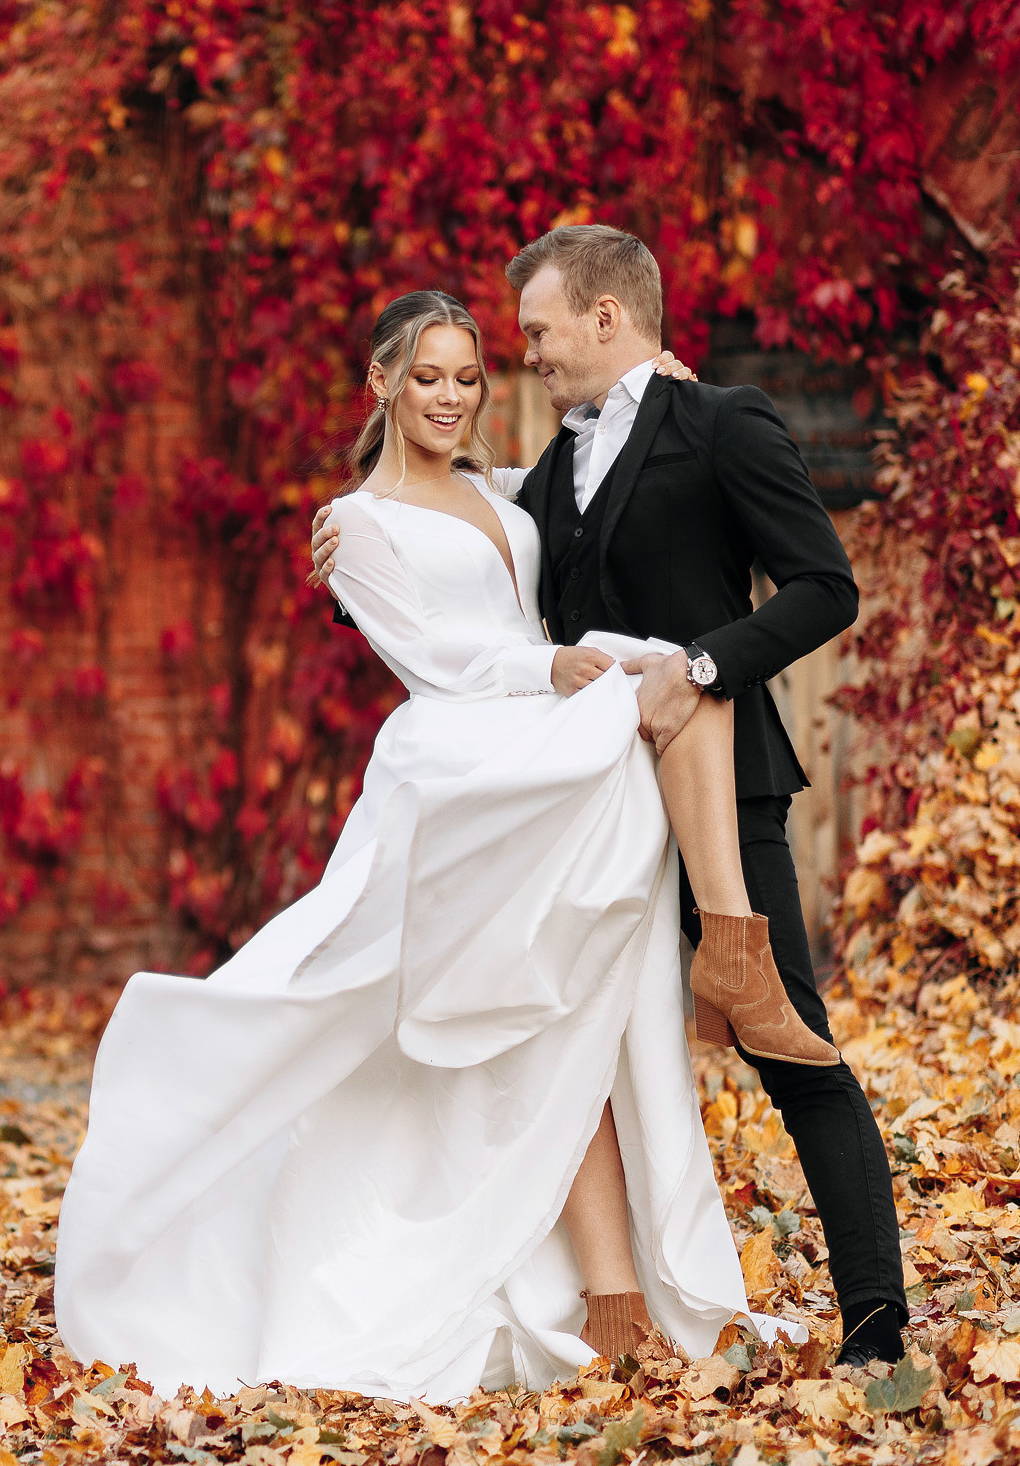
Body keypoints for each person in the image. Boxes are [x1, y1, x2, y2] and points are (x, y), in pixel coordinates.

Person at [52, 286, 810, 1404]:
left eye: (466, 376)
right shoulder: (355, 522)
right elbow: (436, 652)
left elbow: (583, 487)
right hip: (467, 760)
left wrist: (669, 389)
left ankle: (724, 964)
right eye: (427, 378)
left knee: (580, 988)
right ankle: (609, 1285)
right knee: (525, 1013)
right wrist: (542, 667)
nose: (451, 397)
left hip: (545, 733)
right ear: (382, 384)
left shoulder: (498, 495)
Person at [307, 227, 908, 1371]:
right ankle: (612, 1304)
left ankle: (876, 1318)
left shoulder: (722, 420)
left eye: (533, 332)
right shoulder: (546, 476)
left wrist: (707, 667)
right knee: (568, 1044)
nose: (522, 356)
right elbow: (467, 567)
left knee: (791, 1049)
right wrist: (349, 563)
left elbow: (826, 587)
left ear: (603, 317)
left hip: (720, 790)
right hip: (581, 806)